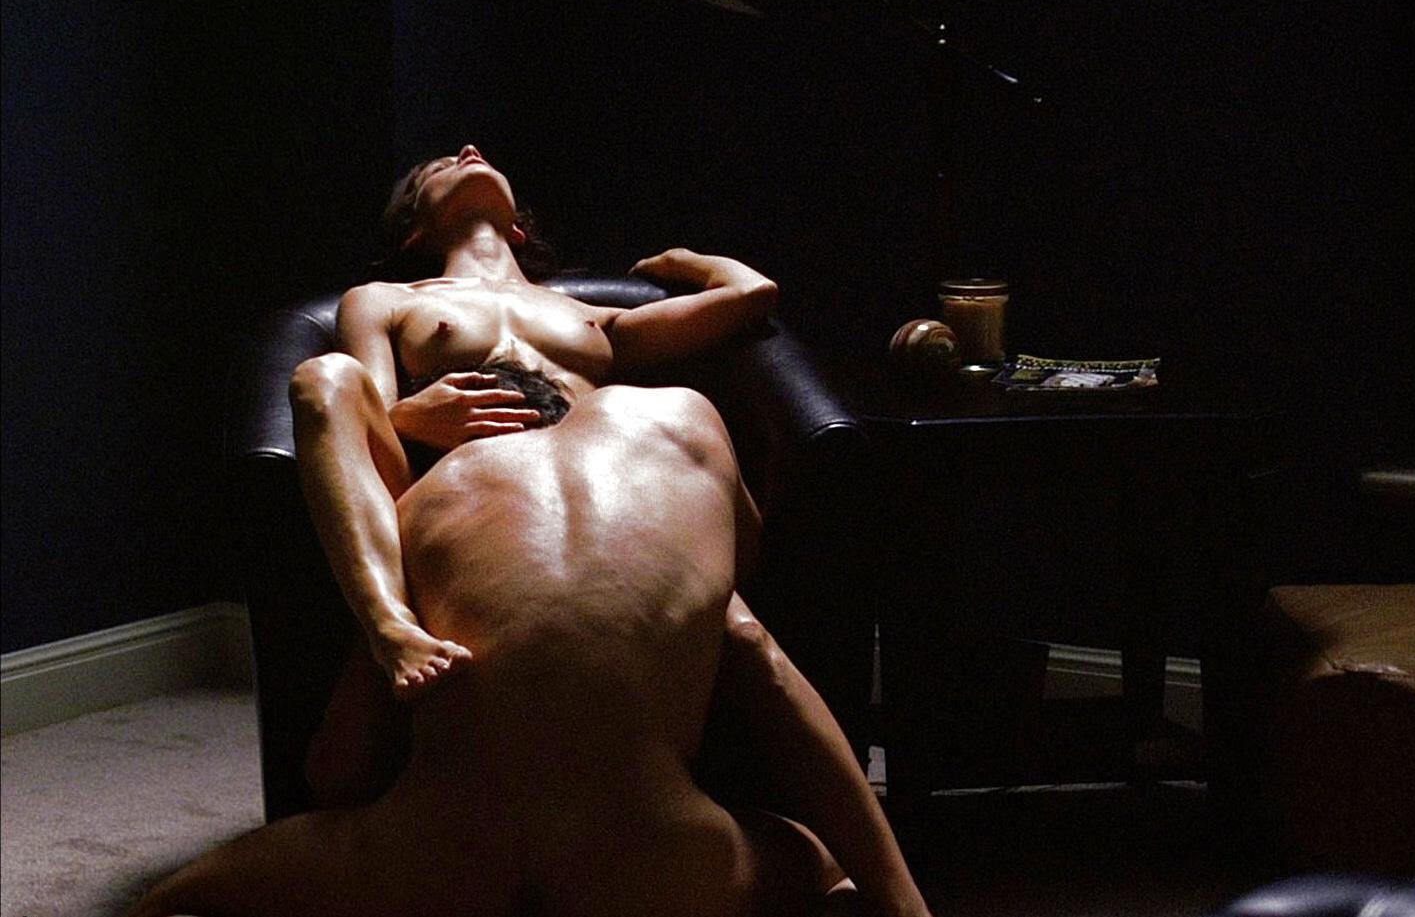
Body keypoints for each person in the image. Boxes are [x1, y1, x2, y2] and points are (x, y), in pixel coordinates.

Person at [132, 146, 929, 917]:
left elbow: (752, 294)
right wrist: (412, 414)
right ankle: (389, 622)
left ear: (520, 227)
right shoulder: (386, 299)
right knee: (326, 378)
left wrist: (683, 260)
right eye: (440, 165)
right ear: (415, 228)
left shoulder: (592, 317)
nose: (468, 149)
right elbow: (368, 412)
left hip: (614, 503)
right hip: (453, 478)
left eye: (475, 154)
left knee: (733, 614)